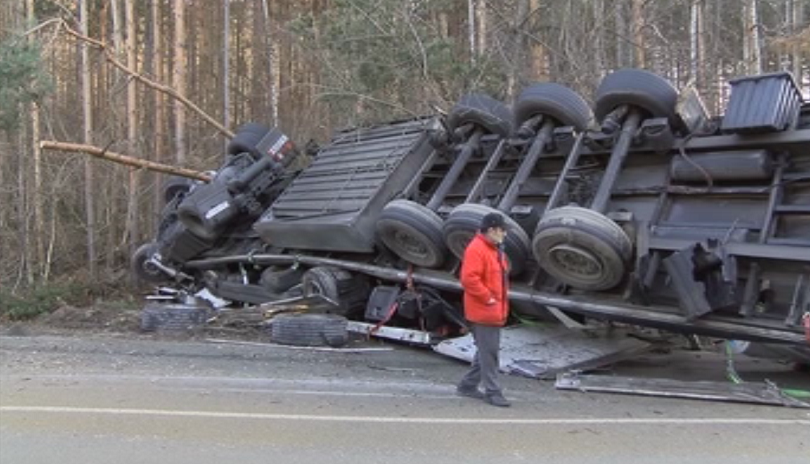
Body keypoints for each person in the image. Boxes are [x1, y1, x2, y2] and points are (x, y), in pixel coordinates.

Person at [455, 212, 511, 407]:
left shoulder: (493, 249)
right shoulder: (478, 249)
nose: (505, 234)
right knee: (490, 353)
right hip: (485, 311)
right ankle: (493, 392)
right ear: (492, 230)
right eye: (502, 230)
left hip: (491, 309)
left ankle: (467, 385)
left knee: (485, 352)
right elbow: (469, 278)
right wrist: (488, 298)